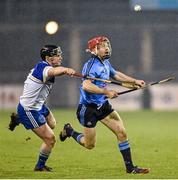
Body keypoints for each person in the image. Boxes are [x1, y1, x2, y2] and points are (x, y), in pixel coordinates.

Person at [59, 36, 150, 174]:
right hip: (88, 109)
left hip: (103, 105)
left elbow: (116, 75)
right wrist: (106, 92)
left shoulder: (105, 62)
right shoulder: (91, 66)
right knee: (89, 145)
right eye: (103, 46)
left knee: (121, 132)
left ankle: (130, 168)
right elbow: (86, 85)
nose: (107, 48)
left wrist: (134, 81)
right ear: (95, 50)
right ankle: (69, 131)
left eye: (107, 45)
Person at [8, 45, 75, 172]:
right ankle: (39, 167)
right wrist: (66, 70)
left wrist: (64, 70)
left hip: (39, 106)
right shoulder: (43, 67)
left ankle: (19, 119)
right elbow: (53, 72)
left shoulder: (45, 67)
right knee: (50, 139)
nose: (61, 57)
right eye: (57, 55)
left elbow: (54, 72)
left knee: (53, 124)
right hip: (29, 109)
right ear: (49, 58)